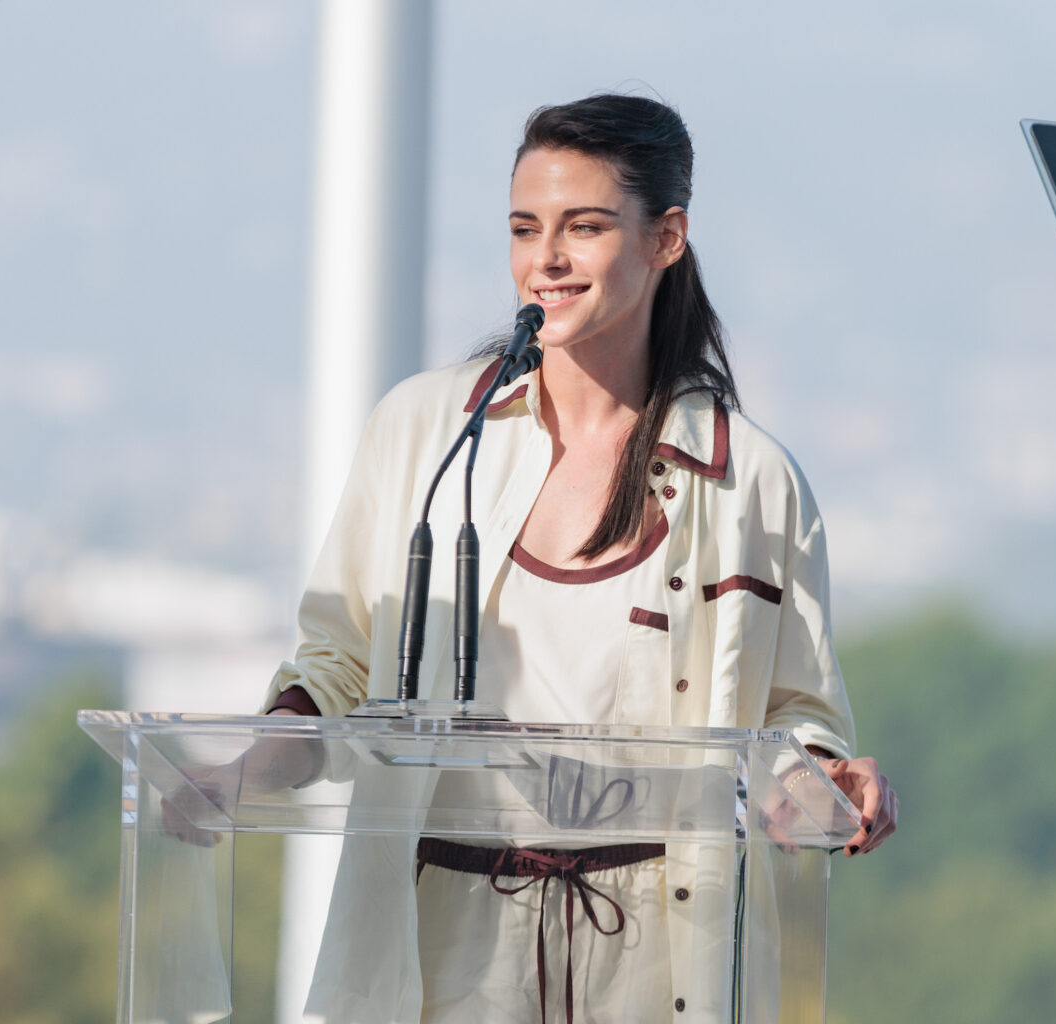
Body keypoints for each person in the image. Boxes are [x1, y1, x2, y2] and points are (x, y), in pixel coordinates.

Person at [255, 93, 898, 1022]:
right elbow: (336, 664)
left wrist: (831, 782)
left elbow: (798, 720)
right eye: (524, 228)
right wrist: (230, 770)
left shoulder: (753, 479)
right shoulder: (424, 434)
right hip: (441, 952)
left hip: (653, 961)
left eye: (583, 227)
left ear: (665, 237)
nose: (544, 260)